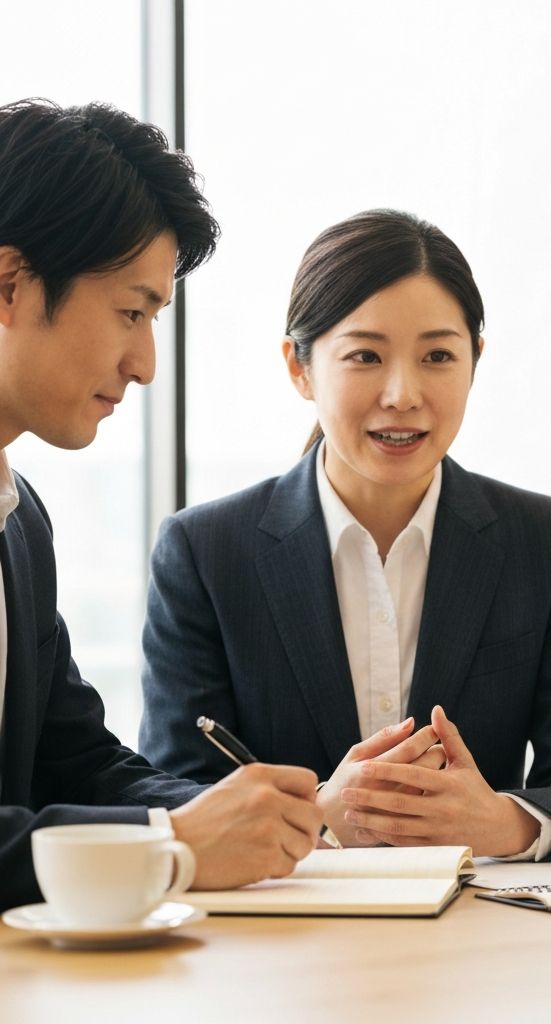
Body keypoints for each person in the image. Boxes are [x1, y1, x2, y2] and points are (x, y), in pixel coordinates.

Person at [139, 209, 551, 859]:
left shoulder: (550, 542)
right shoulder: (205, 552)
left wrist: (502, 822)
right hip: (277, 940)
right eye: (365, 356)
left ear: (474, 362)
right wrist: (320, 816)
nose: (403, 394)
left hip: (485, 939)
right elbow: (172, 792)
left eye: (437, 356)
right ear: (300, 366)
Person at [0, 98, 322, 912]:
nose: (144, 364)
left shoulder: (20, 520)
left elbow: (74, 760)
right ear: (8, 284)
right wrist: (168, 847)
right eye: (131, 312)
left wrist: (246, 814)